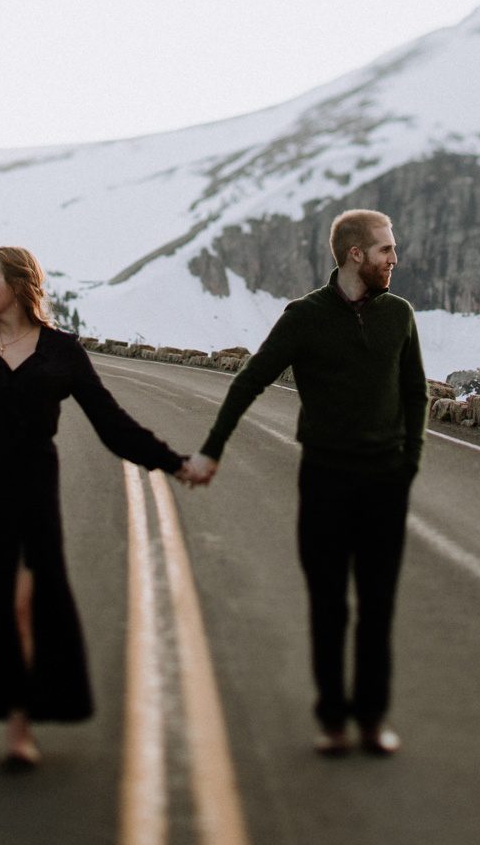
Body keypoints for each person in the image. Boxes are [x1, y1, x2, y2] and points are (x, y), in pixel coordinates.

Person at [0, 245, 186, 775]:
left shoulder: (62, 351)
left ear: (17, 283)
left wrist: (171, 462)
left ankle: (20, 726)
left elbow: (111, 422)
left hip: (32, 491)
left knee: (24, 606)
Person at [181, 209, 427, 757]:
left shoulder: (400, 315)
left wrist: (409, 462)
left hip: (385, 482)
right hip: (325, 481)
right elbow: (251, 381)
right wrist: (212, 449)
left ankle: (370, 720)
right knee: (328, 604)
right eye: (387, 249)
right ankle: (332, 721)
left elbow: (415, 393)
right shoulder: (304, 317)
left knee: (378, 606)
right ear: (356, 255)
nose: (395, 259)